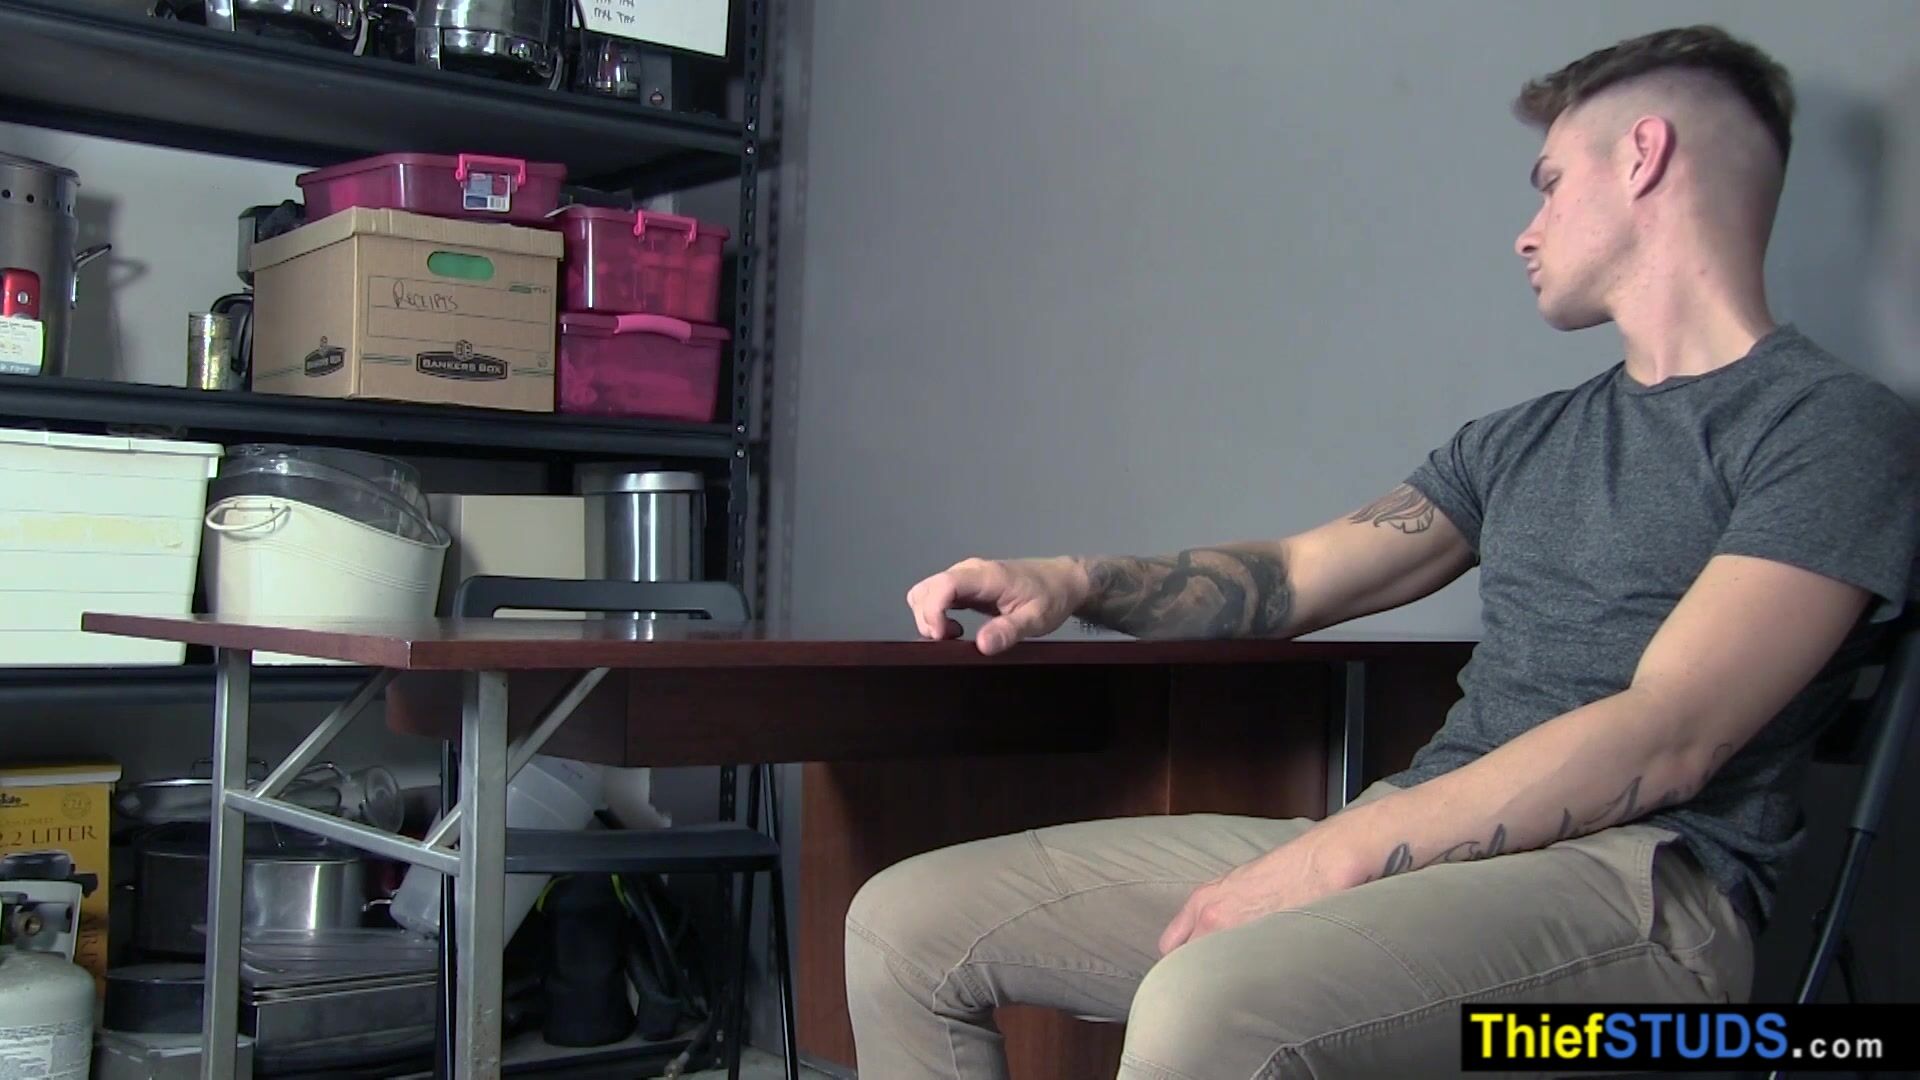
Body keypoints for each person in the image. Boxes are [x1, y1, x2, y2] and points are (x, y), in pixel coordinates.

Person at [844, 24, 1920, 1080]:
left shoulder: (1829, 429)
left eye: (1549, 184)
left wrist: (1338, 854)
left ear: (1643, 156)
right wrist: (1072, 581)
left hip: (1644, 898)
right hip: (1417, 846)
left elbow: (1668, 734)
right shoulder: (1521, 441)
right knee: (907, 925)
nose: (1527, 232)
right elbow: (1292, 579)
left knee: (1212, 1001)